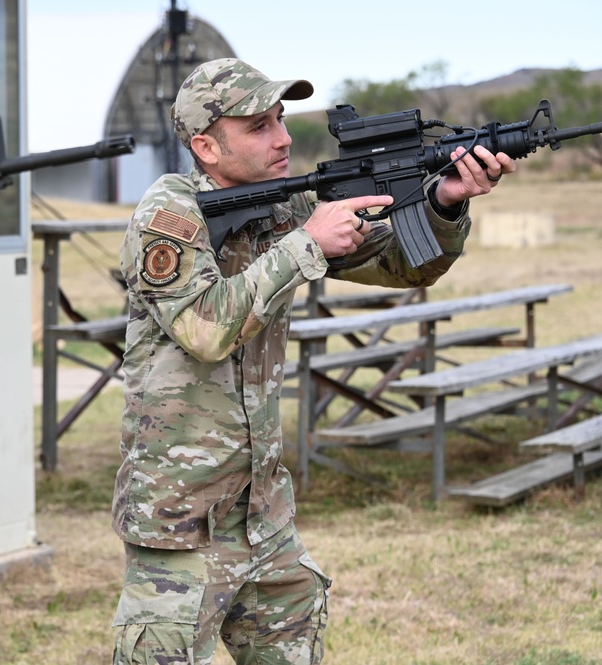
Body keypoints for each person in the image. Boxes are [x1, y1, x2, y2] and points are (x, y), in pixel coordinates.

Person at [110, 58, 517, 664]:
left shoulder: (286, 205)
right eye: (258, 127)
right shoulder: (169, 215)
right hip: (182, 524)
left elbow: (402, 263)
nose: (282, 137)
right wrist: (305, 245)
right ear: (205, 146)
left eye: (281, 119)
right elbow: (204, 328)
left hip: (265, 517)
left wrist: (444, 204)